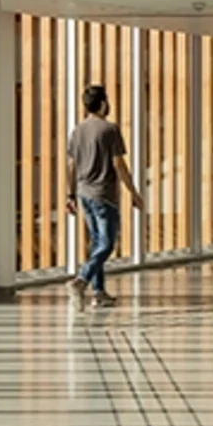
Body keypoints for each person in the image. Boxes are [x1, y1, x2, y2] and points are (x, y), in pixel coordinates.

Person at [66, 84, 144, 311]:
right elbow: (119, 165)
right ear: (102, 104)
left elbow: (71, 165)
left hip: (83, 194)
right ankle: (81, 281)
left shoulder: (77, 131)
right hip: (104, 195)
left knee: (96, 243)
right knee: (107, 243)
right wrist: (133, 192)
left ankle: (99, 293)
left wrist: (70, 194)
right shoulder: (110, 129)